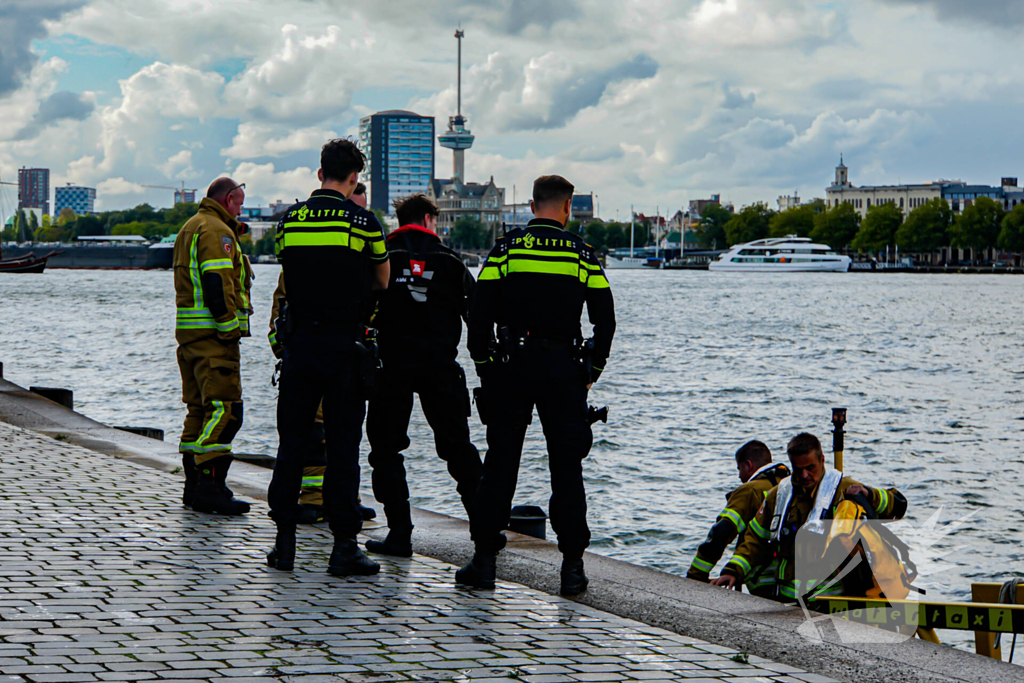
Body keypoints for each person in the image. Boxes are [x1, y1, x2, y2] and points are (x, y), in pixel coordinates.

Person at [457, 175, 616, 595]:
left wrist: (487, 365)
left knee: (501, 464)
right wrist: (590, 371)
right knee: (567, 468)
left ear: (532, 205)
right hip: (564, 368)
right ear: (567, 208)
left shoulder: (507, 250)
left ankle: (485, 561)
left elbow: (478, 313)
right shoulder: (582, 254)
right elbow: (605, 319)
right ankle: (572, 568)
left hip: (513, 365)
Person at [266, 139, 389, 576]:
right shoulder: (364, 221)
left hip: (300, 348)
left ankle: (283, 544)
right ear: (354, 178)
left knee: (292, 445)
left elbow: (289, 272)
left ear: (320, 174)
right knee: (342, 449)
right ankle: (343, 548)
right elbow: (381, 280)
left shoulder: (287, 221)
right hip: (344, 348)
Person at [363, 193, 482, 558]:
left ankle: (399, 532)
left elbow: (361, 308)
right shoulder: (451, 261)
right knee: (458, 448)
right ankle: (485, 530)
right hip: (440, 368)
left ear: (400, 220)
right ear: (430, 219)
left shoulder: (382, 255)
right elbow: (477, 319)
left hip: (391, 368)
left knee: (385, 450)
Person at [267, 182, 376, 525]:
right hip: (328, 352)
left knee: (336, 441)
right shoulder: (325, 258)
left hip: (327, 353)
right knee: (318, 436)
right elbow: (282, 306)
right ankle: (318, 504)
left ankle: (329, 512)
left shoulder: (294, 233)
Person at [712, 433, 907, 602]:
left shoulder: (842, 489)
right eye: (798, 469)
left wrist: (869, 494)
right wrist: (733, 571)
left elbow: (897, 505)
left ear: (822, 460)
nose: (804, 475)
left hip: (829, 600)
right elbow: (755, 541)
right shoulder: (779, 494)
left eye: (810, 468)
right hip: (785, 598)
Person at [174, 177, 253, 515]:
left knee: (198, 410)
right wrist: (229, 328)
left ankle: (193, 486)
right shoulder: (216, 230)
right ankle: (211, 487)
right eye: (240, 203)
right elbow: (216, 283)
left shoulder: (191, 226)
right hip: (213, 338)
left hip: (190, 337)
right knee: (225, 411)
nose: (242, 209)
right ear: (229, 198)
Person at [687, 440, 789, 598]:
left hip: (763, 582)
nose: (739, 476)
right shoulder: (787, 486)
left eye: (739, 469)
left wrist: (696, 575)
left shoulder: (750, 491)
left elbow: (721, 532)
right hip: (791, 580)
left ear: (748, 465)